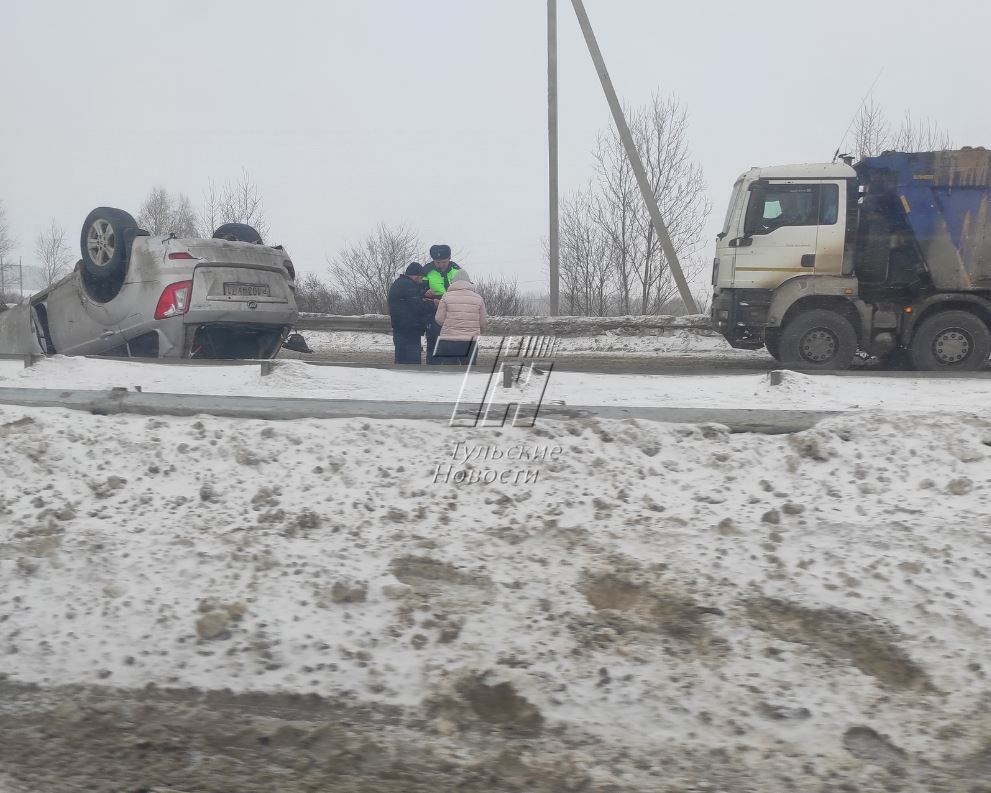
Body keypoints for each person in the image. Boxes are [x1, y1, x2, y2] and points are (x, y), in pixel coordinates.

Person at [434, 268, 487, 365]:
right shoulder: (478, 298)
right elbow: (483, 321)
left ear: (453, 282)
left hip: (449, 341)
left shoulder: (446, 296)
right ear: (469, 282)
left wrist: (449, 324)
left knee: (449, 371)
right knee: (468, 372)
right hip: (470, 342)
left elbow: (439, 318)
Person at [387, 262, 433, 364]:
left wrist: (422, 294)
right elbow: (417, 306)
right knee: (413, 364)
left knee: (401, 360)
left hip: (400, 328)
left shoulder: (399, 283)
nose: (421, 281)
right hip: (410, 329)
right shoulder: (408, 285)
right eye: (421, 277)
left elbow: (408, 300)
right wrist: (433, 304)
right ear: (417, 275)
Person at [422, 244, 461, 363]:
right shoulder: (426, 271)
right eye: (437, 262)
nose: (441, 265)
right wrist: (425, 293)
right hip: (434, 310)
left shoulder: (457, 270)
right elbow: (418, 290)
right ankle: (433, 367)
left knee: (452, 342)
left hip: (453, 310)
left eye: (444, 262)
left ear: (449, 258)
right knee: (434, 341)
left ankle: (451, 368)